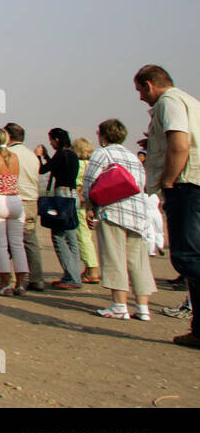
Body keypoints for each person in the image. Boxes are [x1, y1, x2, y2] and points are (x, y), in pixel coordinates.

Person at [134, 64, 200, 349]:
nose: (140, 98)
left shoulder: (168, 102)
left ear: (150, 85)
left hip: (187, 185)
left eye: (140, 91)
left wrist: (170, 181)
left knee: (189, 258)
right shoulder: (190, 102)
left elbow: (179, 144)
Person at [82, 118, 155, 320]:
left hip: (113, 211)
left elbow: (90, 181)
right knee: (138, 261)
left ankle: (119, 304)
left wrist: (90, 206)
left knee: (114, 257)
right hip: (137, 214)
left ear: (104, 135)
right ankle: (142, 307)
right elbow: (141, 184)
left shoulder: (102, 153)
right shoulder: (132, 157)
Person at [0, 128, 29, 295]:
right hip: (14, 200)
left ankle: (6, 284)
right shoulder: (14, 157)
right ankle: (21, 284)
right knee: (17, 244)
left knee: (0, 245)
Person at [35, 128, 83, 289]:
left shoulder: (61, 154)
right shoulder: (72, 155)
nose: (51, 143)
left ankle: (71, 276)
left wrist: (39, 156)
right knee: (71, 238)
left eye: (51, 140)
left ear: (56, 139)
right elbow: (55, 167)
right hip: (73, 195)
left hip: (62, 195)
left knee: (59, 237)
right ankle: (74, 274)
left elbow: (44, 169)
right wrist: (47, 156)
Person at [5, 123, 46, 292]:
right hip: (31, 200)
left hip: (15, 199)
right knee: (30, 240)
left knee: (12, 241)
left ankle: (14, 279)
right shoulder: (31, 156)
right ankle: (37, 278)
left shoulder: (9, 154)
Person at [72, 137, 101, 284]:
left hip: (81, 203)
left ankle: (92, 269)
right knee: (87, 236)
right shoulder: (93, 164)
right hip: (92, 203)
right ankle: (90, 268)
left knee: (83, 237)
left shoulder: (78, 165)